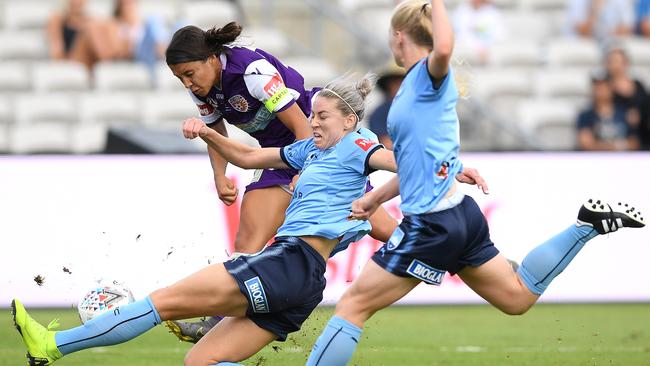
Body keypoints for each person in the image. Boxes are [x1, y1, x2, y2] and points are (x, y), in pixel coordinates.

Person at [10, 73, 486, 366]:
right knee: (201, 360)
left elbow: (396, 163)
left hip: (289, 262)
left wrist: (449, 169)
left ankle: (52, 346)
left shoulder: (359, 146)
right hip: (301, 280)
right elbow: (249, 153)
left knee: (163, 302)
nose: (312, 122)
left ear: (348, 120)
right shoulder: (308, 151)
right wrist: (207, 136)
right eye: (313, 114)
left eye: (321, 116)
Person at [306, 2, 646, 365]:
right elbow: (414, 165)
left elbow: (445, 49)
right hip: (459, 215)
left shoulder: (426, 76)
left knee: (352, 305)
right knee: (517, 299)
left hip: (431, 225)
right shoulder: (411, 90)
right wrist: (376, 200)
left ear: (399, 36)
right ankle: (585, 226)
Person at [163, 22, 399, 341]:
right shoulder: (202, 88)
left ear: (210, 58)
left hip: (319, 143)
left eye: (189, 73)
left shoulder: (252, 72)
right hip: (278, 154)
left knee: (381, 227)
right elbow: (217, 134)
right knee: (248, 239)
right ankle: (219, 322)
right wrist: (220, 176)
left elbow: (302, 125)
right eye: (180, 78)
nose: (187, 83)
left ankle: (441, 248)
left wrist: (311, 170)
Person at [577, 69, 640, 151]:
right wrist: (618, 146)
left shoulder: (625, 113)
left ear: (611, 88)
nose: (600, 91)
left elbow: (634, 143)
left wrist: (602, 145)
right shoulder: (585, 115)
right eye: (597, 86)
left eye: (604, 86)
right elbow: (586, 144)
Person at [604, 45, 650, 150]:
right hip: (620, 133)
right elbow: (603, 110)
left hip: (643, 132)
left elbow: (647, 104)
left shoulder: (638, 84)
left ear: (626, 63)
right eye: (612, 61)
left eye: (618, 61)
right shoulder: (605, 88)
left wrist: (639, 114)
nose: (615, 65)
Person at [367, 63, 404, 150]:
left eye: (402, 81)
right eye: (395, 82)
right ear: (388, 85)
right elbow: (385, 143)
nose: (399, 86)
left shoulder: (419, 108)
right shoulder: (381, 112)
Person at [566, 0, 634, 44]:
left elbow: (627, 29)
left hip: (611, 43)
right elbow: (584, 33)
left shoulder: (621, 2)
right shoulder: (577, 2)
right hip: (584, 44)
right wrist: (594, 9)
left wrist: (609, 34)